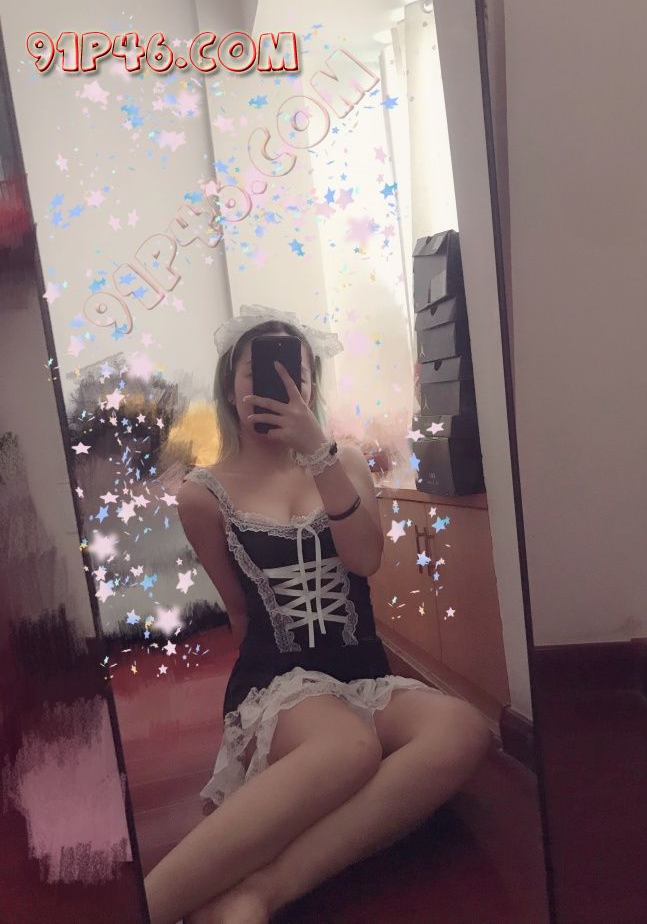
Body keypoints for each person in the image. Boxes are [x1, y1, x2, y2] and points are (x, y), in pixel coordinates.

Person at [144, 304, 493, 924]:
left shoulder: (347, 461)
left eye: (296, 372)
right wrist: (266, 725)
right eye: (258, 372)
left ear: (311, 384)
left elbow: (363, 560)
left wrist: (318, 455)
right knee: (347, 748)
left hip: (363, 672)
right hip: (277, 679)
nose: (280, 383)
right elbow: (238, 610)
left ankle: (260, 891)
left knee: (462, 729)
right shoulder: (201, 494)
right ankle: (146, 903)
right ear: (231, 384)